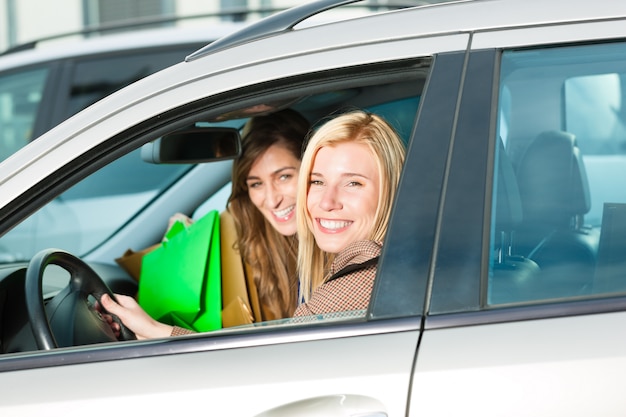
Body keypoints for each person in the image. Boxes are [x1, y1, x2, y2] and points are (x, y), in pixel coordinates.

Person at [100, 108, 310, 338]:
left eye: (284, 176)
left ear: (312, 171)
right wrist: (185, 250)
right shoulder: (255, 242)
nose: (272, 199)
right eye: (256, 184)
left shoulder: (338, 252)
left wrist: (156, 331)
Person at [292, 110, 406, 317]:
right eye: (317, 181)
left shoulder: (357, 286)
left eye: (353, 183)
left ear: (391, 191)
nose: (327, 202)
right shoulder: (405, 262)